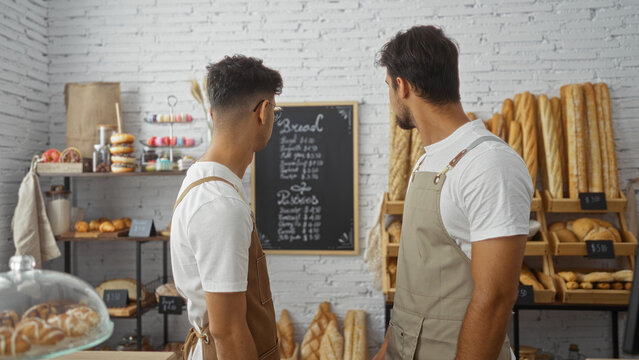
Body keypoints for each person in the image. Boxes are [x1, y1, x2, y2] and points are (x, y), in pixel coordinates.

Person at [373, 26, 533, 360]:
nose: (390, 98)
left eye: (388, 86)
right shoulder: (428, 160)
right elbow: (415, 286)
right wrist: (387, 349)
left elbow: (496, 298)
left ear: (401, 86)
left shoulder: (488, 164)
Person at [170, 55, 283, 360]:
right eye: (275, 109)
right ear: (263, 112)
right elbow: (228, 332)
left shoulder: (202, 177)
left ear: (212, 112)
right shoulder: (220, 204)